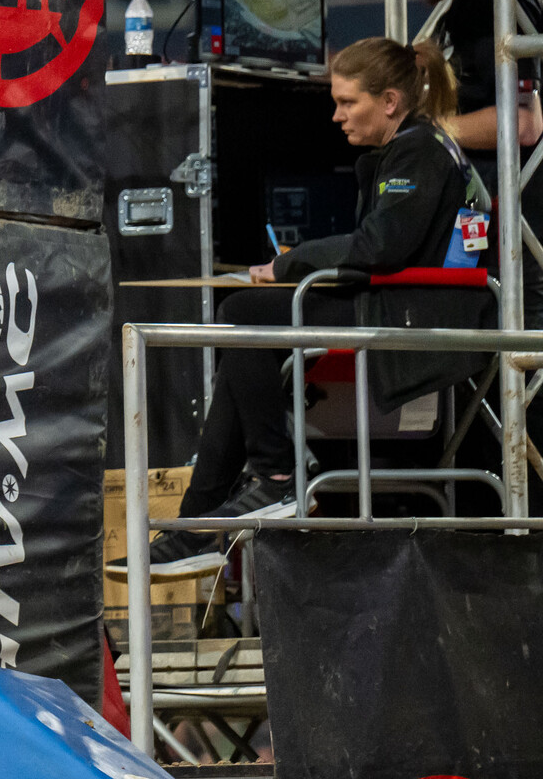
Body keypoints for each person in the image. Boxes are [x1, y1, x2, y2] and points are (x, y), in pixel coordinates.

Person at [131, 37, 490, 576]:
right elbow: (384, 249)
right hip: (406, 307)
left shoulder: (419, 150)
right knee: (243, 336)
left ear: (389, 101)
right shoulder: (414, 145)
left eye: (347, 102)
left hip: (417, 323)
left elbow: (379, 247)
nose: (336, 115)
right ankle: (197, 524)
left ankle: (276, 479)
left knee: (242, 315)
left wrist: (290, 264)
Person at [365, 0, 543, 268]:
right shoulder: (466, 10)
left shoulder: (492, 4)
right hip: (498, 225)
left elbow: (524, 122)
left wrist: (429, 132)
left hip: (522, 239)